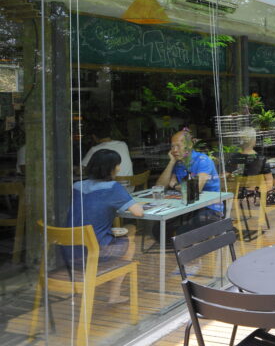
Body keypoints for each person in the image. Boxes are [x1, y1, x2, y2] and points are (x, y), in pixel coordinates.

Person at [65, 149, 143, 303]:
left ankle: (109, 279)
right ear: (110, 168)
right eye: (117, 165)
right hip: (93, 253)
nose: (119, 168)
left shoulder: (76, 186)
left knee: (120, 234)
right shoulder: (113, 187)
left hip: (69, 252)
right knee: (131, 238)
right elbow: (138, 212)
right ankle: (113, 295)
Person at [156, 129, 223, 219]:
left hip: (209, 208)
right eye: (172, 147)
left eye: (178, 146)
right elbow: (159, 187)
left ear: (190, 145)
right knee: (157, 229)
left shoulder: (203, 160)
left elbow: (195, 189)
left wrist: (175, 185)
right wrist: (171, 162)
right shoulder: (177, 162)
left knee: (184, 230)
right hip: (186, 207)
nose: (174, 150)